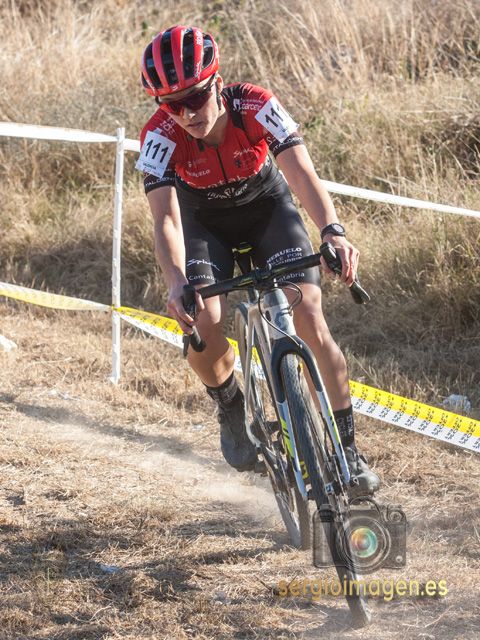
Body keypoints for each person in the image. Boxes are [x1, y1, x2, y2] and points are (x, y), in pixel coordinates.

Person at [137, 26, 380, 494]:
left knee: (309, 317)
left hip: (268, 208)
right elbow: (165, 218)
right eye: (171, 105)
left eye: (195, 97)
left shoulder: (254, 104)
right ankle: (230, 402)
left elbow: (301, 172)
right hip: (204, 223)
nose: (186, 113)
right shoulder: (159, 135)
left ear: (217, 82)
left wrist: (332, 231)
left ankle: (348, 450)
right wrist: (175, 280)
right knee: (204, 321)